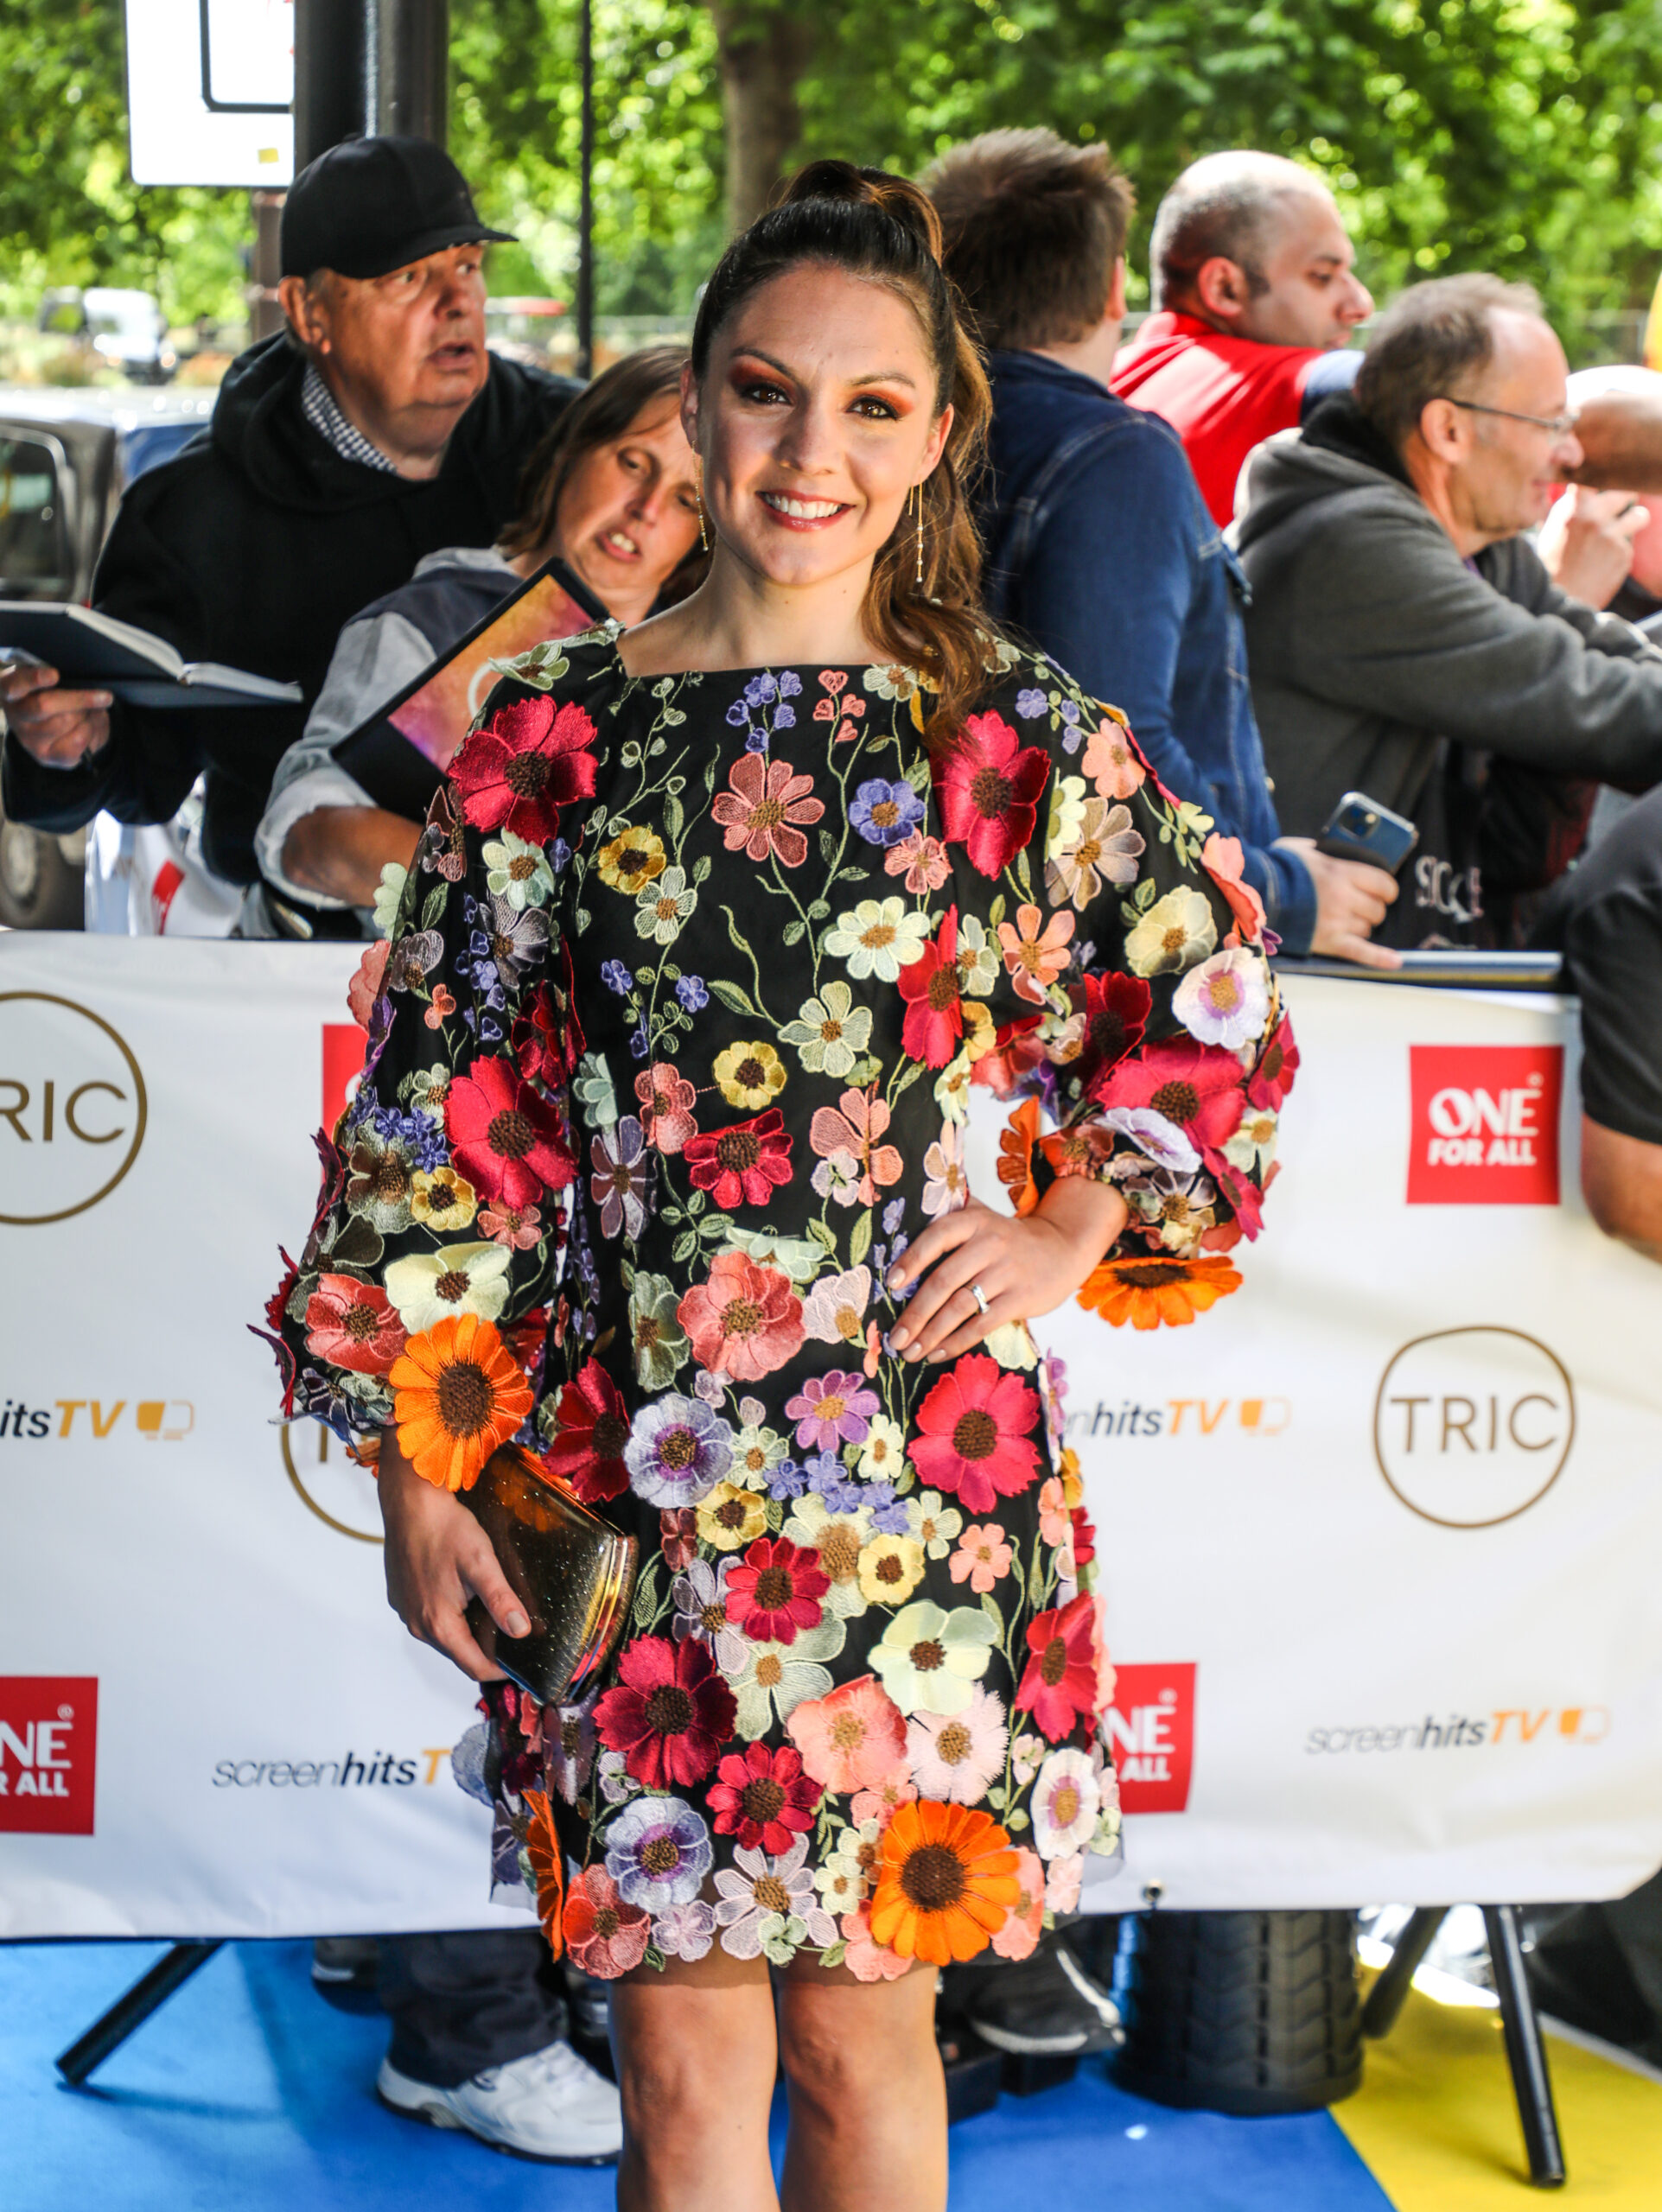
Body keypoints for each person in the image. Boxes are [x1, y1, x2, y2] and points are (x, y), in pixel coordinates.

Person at [264, 162, 1287, 2210]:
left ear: (933, 440)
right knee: (675, 2049)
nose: (807, 451)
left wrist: (1072, 1215)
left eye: (868, 406)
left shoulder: (1012, 737)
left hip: (911, 1478)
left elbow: (1206, 1010)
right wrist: (410, 1468)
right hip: (620, 1465)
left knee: (855, 2025)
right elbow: (435, 1109)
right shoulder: (547, 734)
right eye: (759, 390)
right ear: (695, 406)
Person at [0, 136, 578, 926]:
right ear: (310, 313)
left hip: (548, 931)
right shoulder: (189, 515)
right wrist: (68, 746)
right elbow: (137, 776)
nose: (457, 304)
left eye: (468, 267)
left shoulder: (578, 454)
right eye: (408, 277)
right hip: (292, 963)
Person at [927, 125, 1398, 971]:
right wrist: (1283, 887)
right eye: (1325, 275)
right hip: (1129, 978)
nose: (1356, 302)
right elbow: (1120, 762)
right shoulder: (1112, 451)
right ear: (1115, 288)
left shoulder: (911, 438)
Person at [1234, 274, 1662, 950]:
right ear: (1449, 430)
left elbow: (1608, 654)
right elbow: (1588, 701)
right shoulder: (1350, 546)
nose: (1571, 453)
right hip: (1305, 992)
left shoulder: (1480, 545)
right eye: (1549, 423)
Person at [255, 344, 704, 935]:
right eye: (631, 462)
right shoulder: (431, 620)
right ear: (573, 448)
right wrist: (516, 911)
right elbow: (305, 840)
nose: (645, 508)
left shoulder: (701, 674)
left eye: (685, 499)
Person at [1110, 151, 1372, 524]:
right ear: (1224, 288)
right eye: (1322, 276)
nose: (1360, 304)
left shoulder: (1109, 378)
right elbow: (1418, 384)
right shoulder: (1257, 379)